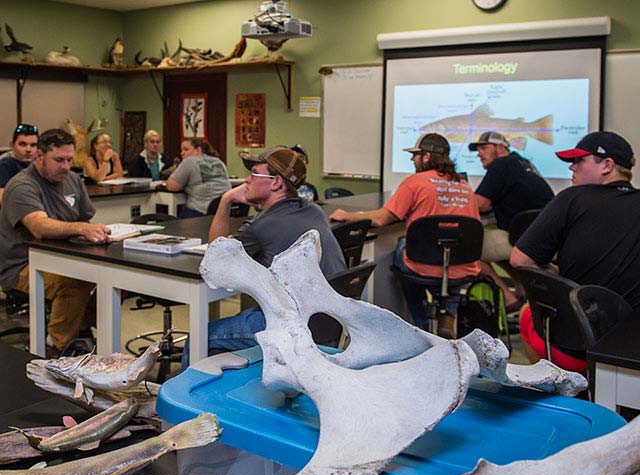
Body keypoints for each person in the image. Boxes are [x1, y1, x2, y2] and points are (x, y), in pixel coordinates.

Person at [181, 147, 346, 368]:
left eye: (254, 174)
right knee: (245, 314)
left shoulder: (261, 225)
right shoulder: (314, 211)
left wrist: (226, 200)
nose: (247, 180)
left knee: (199, 338)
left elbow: (214, 259)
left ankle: (186, 401)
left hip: (295, 327)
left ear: (276, 183)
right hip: (329, 325)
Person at [510, 131, 640, 372]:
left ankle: (555, 389)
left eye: (579, 161)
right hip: (630, 347)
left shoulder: (571, 198)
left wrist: (556, 273)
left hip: (579, 344)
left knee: (527, 313)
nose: (572, 168)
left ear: (607, 166)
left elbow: (520, 260)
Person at [330, 133, 480, 336]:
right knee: (449, 256)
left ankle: (421, 322)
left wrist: (347, 215)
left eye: (415, 155)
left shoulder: (415, 182)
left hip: (423, 264)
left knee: (403, 250)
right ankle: (448, 315)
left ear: (426, 157)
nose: (412, 159)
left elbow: (382, 219)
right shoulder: (464, 186)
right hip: (463, 266)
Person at [0, 129, 111, 354]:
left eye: (69, 160)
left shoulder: (72, 180)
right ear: (39, 156)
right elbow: (39, 227)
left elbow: (84, 216)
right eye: (59, 160)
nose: (66, 166)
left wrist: (88, 229)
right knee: (73, 283)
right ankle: (54, 347)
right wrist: (81, 228)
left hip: (65, 256)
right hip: (22, 264)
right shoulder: (22, 185)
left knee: (113, 278)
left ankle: (79, 328)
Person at [469, 131, 555, 310]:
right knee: (492, 242)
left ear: (500, 148)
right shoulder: (523, 163)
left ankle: (508, 298)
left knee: (469, 248)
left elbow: (482, 203)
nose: (479, 153)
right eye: (478, 150)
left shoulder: (501, 164)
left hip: (521, 237)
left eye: (484, 148)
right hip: (540, 236)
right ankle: (522, 286)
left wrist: (457, 197)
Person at [166, 138, 231, 218]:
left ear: (198, 150)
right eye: (181, 150)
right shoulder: (218, 161)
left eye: (186, 149)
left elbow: (172, 186)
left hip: (200, 213)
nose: (182, 153)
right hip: (225, 212)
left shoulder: (189, 161)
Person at [0, 124, 39, 205]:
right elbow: (2, 199)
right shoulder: (5, 165)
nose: (28, 149)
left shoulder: (39, 164)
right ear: (12, 145)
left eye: (33, 145)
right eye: (23, 144)